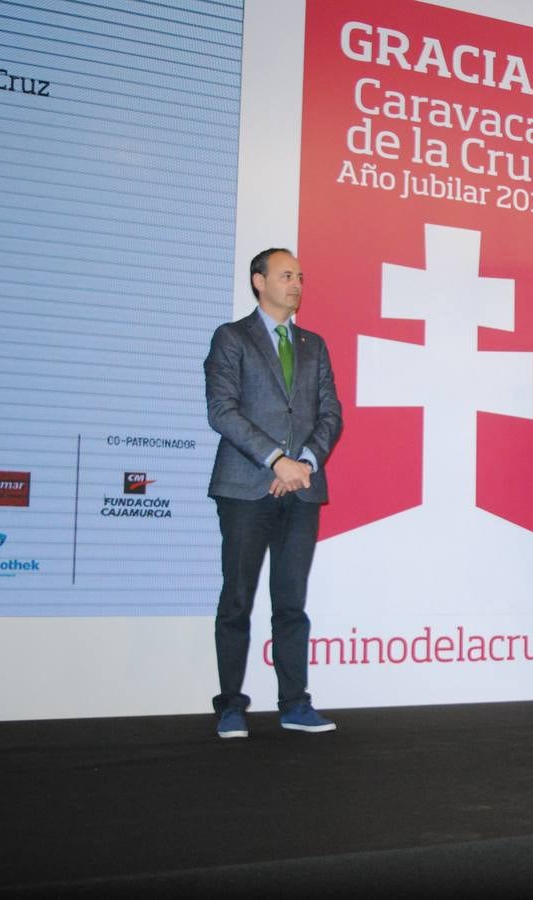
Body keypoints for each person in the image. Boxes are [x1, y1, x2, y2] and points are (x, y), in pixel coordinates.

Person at [204, 247, 344, 739]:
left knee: (291, 603)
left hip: (301, 491)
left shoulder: (314, 344)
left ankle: (294, 704)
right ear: (258, 281)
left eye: (301, 276)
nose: (297, 283)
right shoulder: (231, 339)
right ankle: (230, 707)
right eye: (287, 275)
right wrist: (275, 459)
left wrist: (303, 463)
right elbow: (222, 410)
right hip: (245, 488)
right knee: (236, 600)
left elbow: (331, 414)